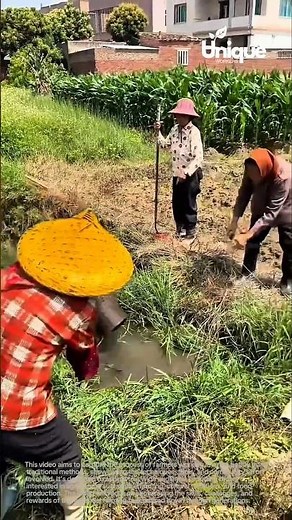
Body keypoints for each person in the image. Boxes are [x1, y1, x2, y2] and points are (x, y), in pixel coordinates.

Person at [1, 209, 134, 520]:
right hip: (19, 416)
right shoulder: (78, 314)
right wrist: (88, 372)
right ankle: (75, 514)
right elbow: (85, 362)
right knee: (65, 453)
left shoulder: (6, 278)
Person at [227, 148, 292, 296]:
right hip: (263, 202)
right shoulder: (252, 168)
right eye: (250, 174)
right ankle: (247, 273)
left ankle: (288, 281)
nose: (253, 178)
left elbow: (271, 213)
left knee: (289, 244)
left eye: (256, 175)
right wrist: (234, 220)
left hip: (288, 205)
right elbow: (243, 194)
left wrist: (247, 234)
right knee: (254, 240)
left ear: (265, 170)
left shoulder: (283, 176)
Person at [154, 98, 204, 239]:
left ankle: (190, 230)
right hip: (177, 172)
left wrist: (186, 172)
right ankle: (180, 228)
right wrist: (158, 132)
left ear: (189, 116)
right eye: (177, 115)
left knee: (189, 201)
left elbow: (198, 157)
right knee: (177, 202)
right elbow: (164, 145)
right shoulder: (174, 130)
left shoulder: (194, 133)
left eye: (182, 115)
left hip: (190, 173)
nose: (179, 118)